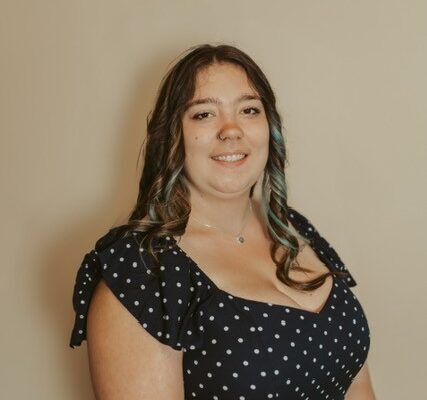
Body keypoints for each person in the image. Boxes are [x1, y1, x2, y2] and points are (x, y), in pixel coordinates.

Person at [69, 44, 376, 399]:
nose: (231, 130)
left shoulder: (294, 229)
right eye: (204, 114)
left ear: (269, 126)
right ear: (171, 136)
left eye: (249, 110)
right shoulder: (144, 272)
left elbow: (358, 387)